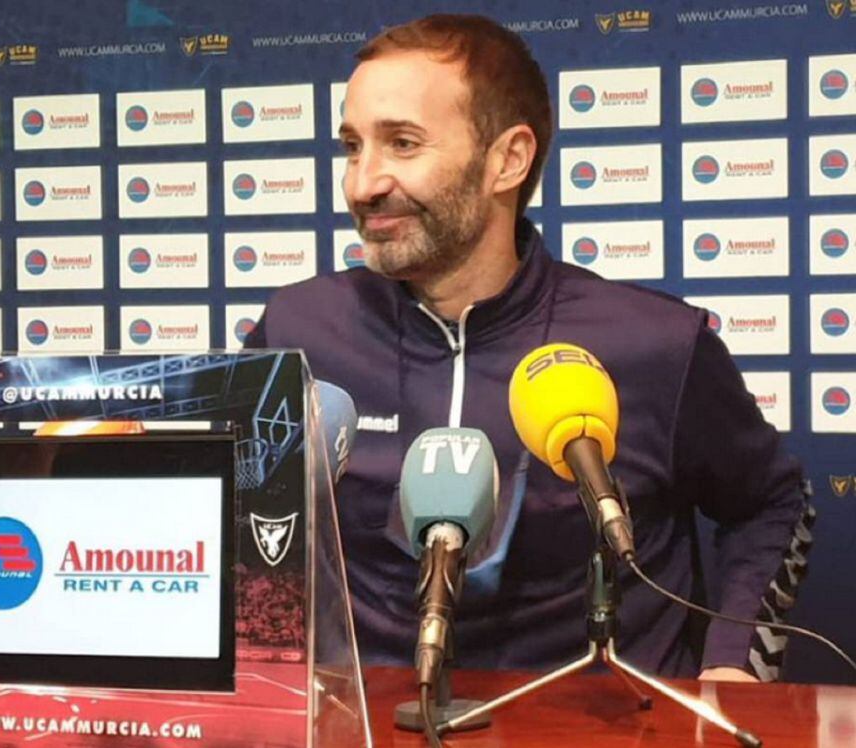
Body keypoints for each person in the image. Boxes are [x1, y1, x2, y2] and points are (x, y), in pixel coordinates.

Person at [244, 14, 810, 682]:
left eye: (401, 143)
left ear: (507, 159)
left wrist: (737, 666)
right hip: (361, 723)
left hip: (598, 726)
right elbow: (236, 526)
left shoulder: (657, 344)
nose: (362, 183)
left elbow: (772, 504)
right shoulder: (298, 330)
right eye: (351, 146)